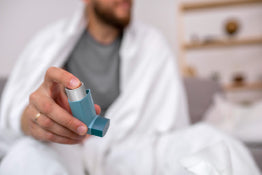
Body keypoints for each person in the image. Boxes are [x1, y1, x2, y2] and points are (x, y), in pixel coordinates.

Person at [0, 0, 260, 175]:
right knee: (25, 155)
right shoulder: (47, 42)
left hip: (131, 155)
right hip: (62, 153)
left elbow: (171, 128)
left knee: (212, 140)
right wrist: (34, 120)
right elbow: (11, 123)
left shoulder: (153, 44)